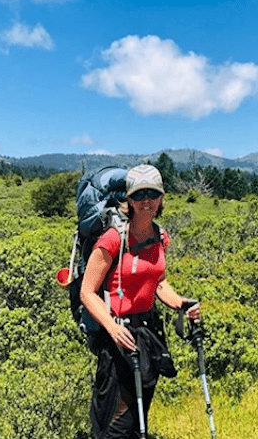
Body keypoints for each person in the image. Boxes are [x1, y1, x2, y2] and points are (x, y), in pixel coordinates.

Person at [80, 164, 200, 439]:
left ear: (161, 199)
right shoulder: (113, 239)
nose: (146, 201)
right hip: (118, 337)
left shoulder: (160, 236)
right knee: (114, 425)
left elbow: (157, 281)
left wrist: (180, 303)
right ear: (129, 200)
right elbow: (88, 291)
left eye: (152, 194)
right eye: (139, 195)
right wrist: (112, 327)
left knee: (138, 419)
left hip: (147, 335)